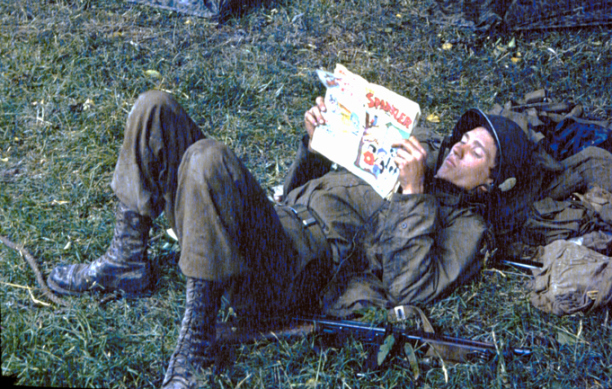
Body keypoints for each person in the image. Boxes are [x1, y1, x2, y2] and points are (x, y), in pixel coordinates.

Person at [47, 90, 534, 389]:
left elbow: (413, 290)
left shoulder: (465, 226)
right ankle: (126, 259)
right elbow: (303, 190)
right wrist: (316, 144)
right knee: (156, 108)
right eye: (462, 139)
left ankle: (196, 345)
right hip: (277, 222)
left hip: (293, 270)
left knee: (207, 159)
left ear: (490, 183)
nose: (457, 149)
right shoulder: (414, 159)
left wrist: (412, 194)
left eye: (475, 153)